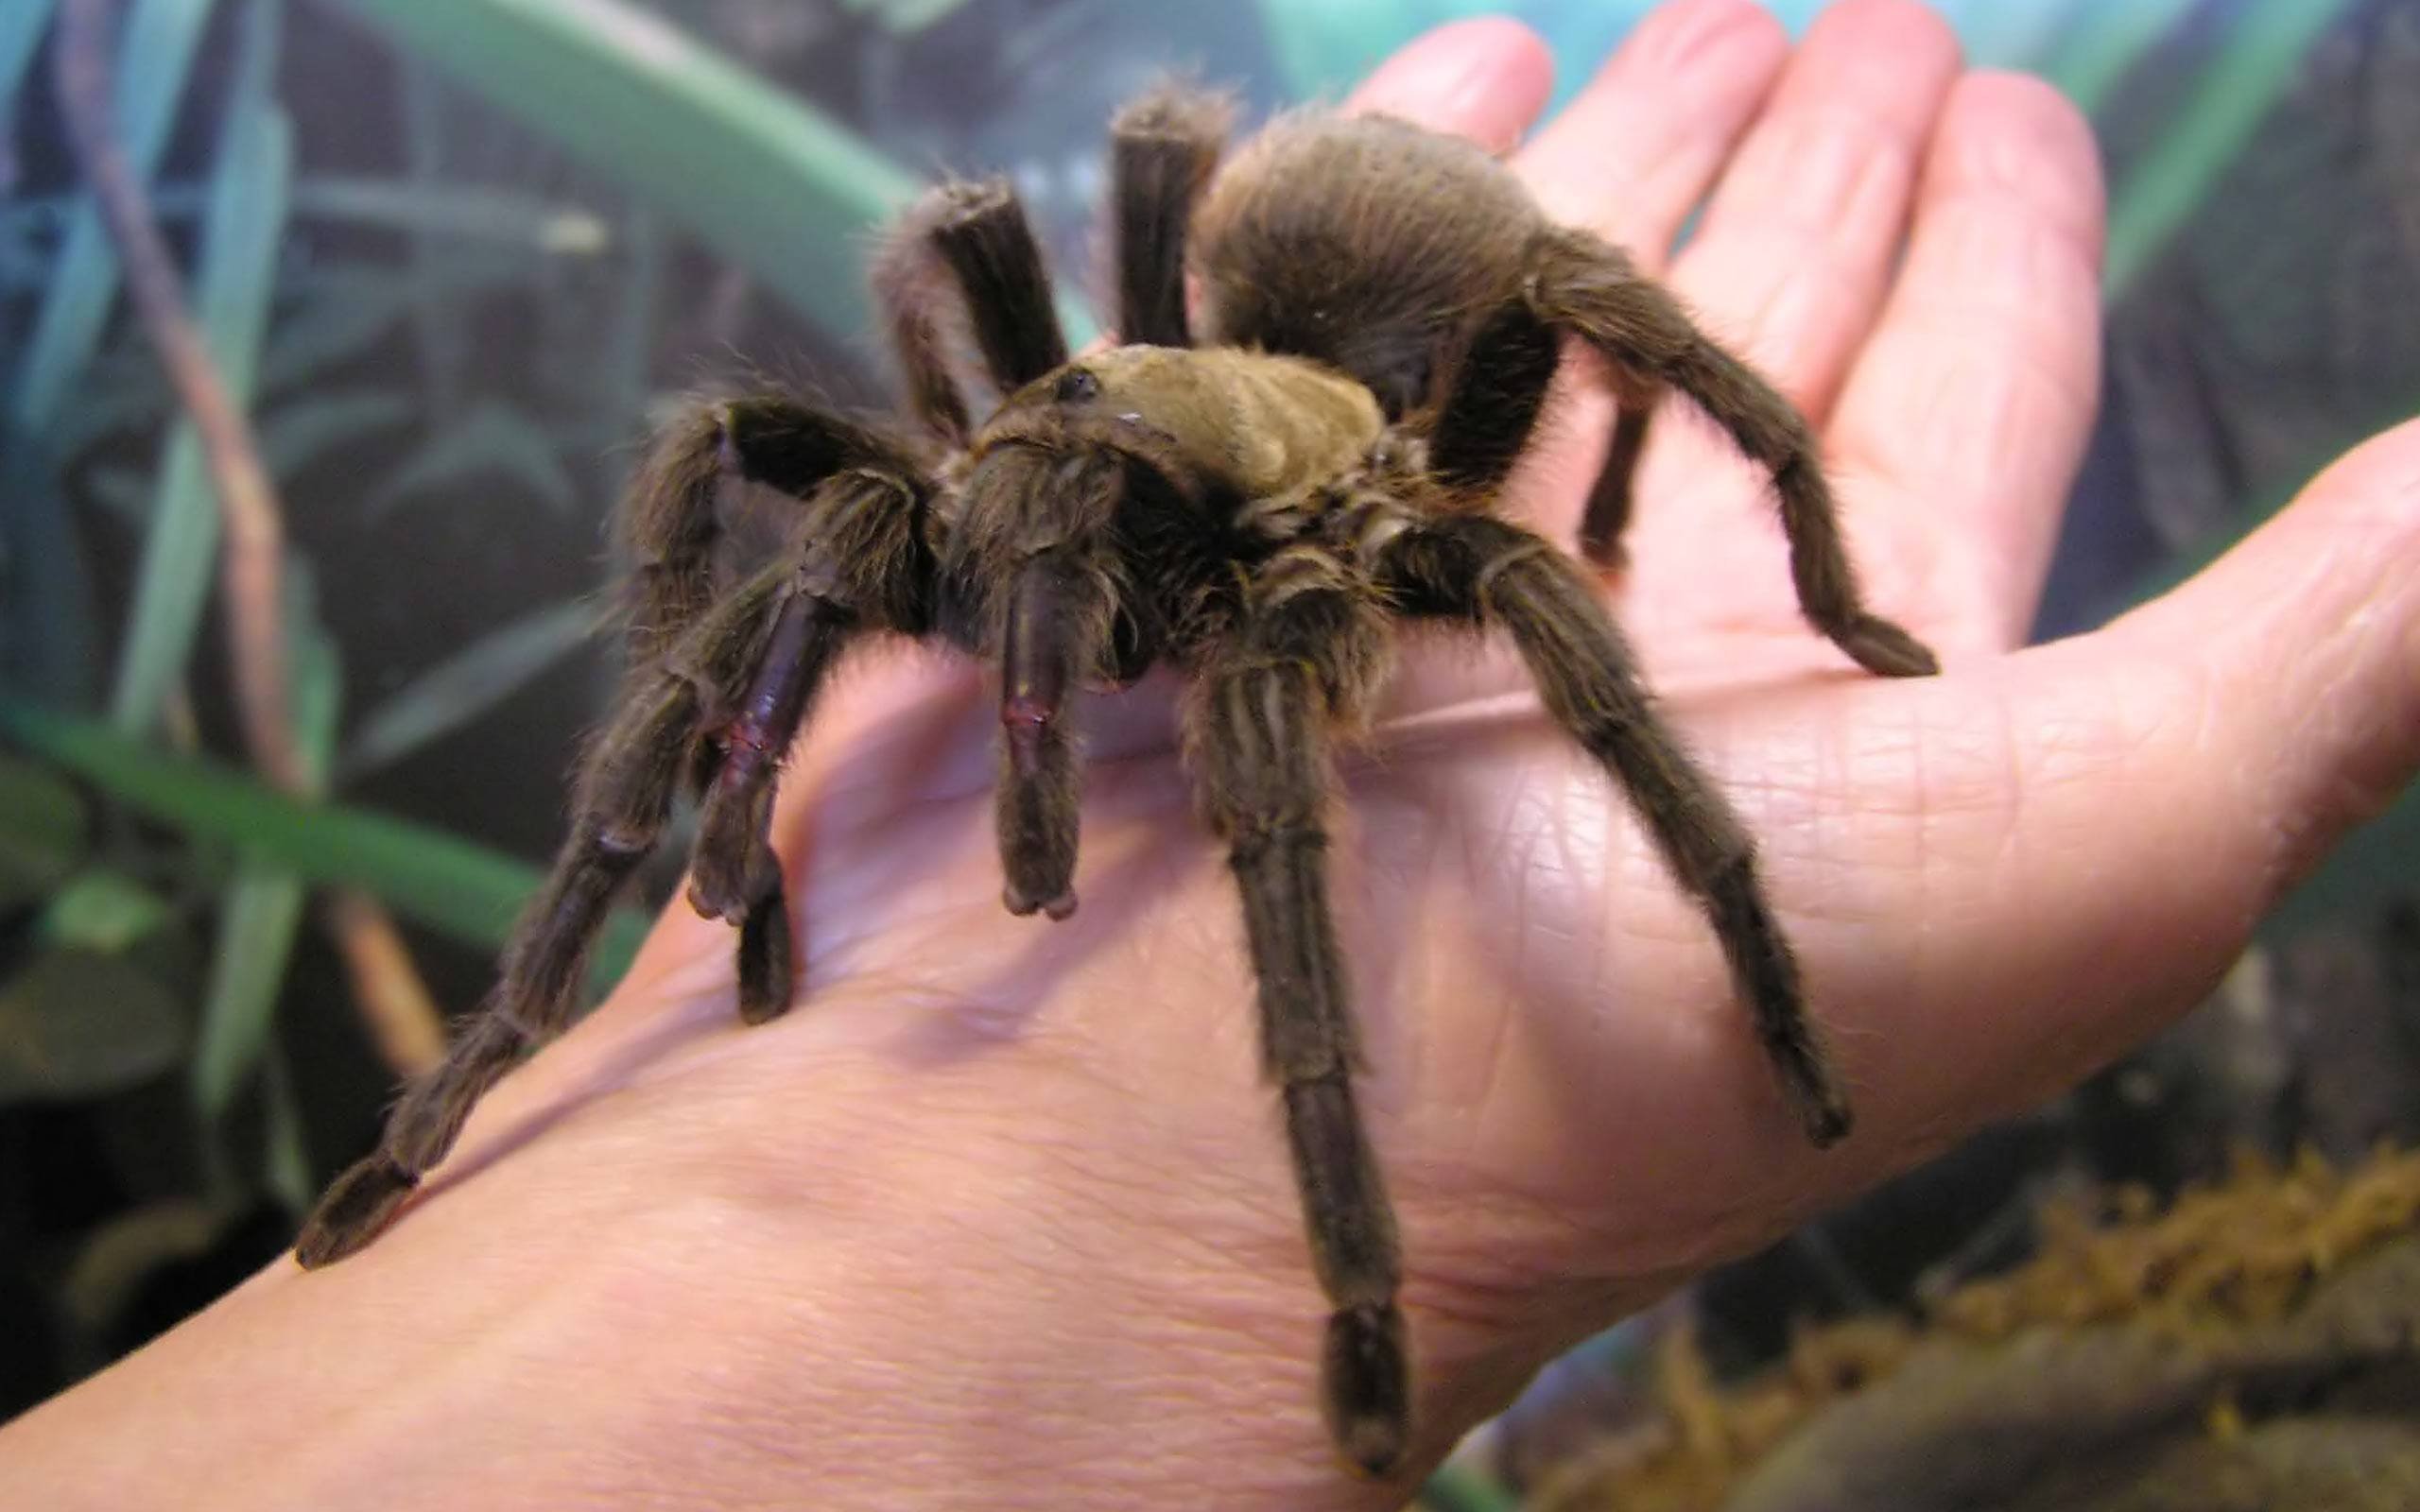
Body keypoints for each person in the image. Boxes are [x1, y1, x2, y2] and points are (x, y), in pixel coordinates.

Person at [7, 1, 2418, 1505]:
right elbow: (913, 313)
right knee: (759, 491)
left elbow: (1587, 406)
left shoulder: (1373, 531)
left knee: (1357, 694)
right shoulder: (1001, 451)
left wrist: (1780, 733)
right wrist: (746, 798)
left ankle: (1347, 1272)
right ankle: (469, 1080)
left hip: (1311, 467)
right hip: (1121, 419)